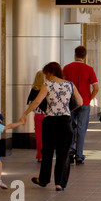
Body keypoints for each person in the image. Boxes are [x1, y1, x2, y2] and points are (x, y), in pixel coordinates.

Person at [21, 62, 83, 191]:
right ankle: (60, 183)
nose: (45, 77)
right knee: (63, 153)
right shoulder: (70, 85)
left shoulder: (47, 85)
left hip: (50, 122)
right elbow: (80, 102)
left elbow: (37, 101)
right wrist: (66, 110)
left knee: (47, 152)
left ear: (51, 72)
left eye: (46, 74)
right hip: (65, 122)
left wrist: (25, 113)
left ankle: (43, 180)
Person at [63, 46, 99, 164]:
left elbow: (63, 85)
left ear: (75, 54)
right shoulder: (89, 69)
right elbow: (96, 88)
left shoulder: (67, 68)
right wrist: (89, 98)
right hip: (84, 102)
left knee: (70, 127)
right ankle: (79, 155)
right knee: (81, 129)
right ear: (85, 55)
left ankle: (70, 151)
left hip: (70, 103)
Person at [27, 70, 47, 162]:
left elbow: (31, 103)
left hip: (37, 116)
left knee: (38, 136)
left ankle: (40, 155)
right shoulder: (47, 88)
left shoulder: (33, 90)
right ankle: (47, 153)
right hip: (47, 116)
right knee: (47, 136)